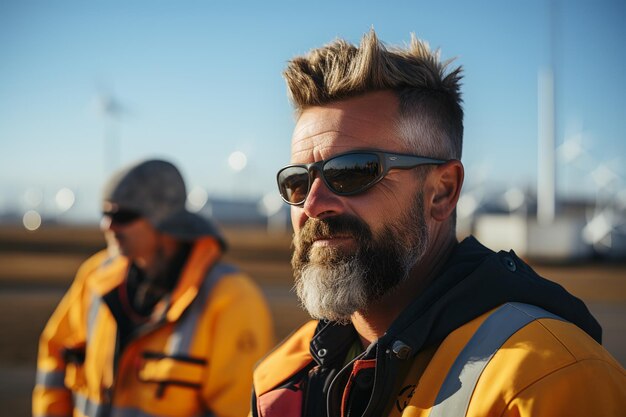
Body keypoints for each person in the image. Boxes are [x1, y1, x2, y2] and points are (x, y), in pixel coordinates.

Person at [250, 30, 626, 417]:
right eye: (297, 181)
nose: (312, 204)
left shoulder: (548, 379)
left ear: (442, 192)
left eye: (352, 172)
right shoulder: (280, 380)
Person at [33, 159, 274, 417]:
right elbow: (54, 360)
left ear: (165, 222)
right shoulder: (95, 277)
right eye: (105, 214)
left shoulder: (231, 298)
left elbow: (237, 409)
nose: (108, 226)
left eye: (123, 216)